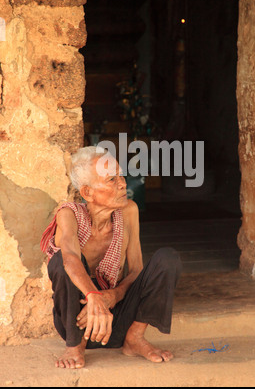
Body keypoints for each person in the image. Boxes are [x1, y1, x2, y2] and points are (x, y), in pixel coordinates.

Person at [40, 146, 182, 369]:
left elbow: (136, 271)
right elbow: (69, 259)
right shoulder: (69, 214)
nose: (123, 184)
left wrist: (113, 296)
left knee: (167, 259)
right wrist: (94, 297)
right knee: (60, 262)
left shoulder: (129, 211)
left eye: (121, 176)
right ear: (87, 193)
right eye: (111, 180)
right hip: (77, 321)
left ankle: (134, 339)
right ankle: (75, 348)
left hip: (117, 320)